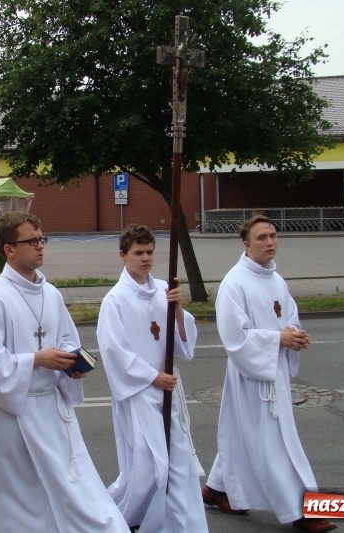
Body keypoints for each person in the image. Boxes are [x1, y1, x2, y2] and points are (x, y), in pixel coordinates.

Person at [0, 211, 129, 532]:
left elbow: (67, 340)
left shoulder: (51, 294)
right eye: (32, 241)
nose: (41, 247)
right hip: (12, 418)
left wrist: (72, 366)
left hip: (52, 412)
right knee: (19, 503)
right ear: (9, 249)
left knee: (76, 494)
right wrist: (36, 360)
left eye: (42, 239)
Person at [203, 214, 336, 533]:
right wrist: (279, 339)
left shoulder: (276, 279)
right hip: (252, 377)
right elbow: (234, 338)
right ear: (246, 244)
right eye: (262, 238)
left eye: (273, 236)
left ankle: (217, 488)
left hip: (273, 369)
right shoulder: (234, 283)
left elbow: (289, 316)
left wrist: (294, 334)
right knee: (275, 444)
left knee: (242, 436)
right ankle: (302, 512)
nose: (270, 242)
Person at [97, 224, 209, 532]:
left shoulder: (164, 290)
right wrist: (152, 376)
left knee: (178, 463)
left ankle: (182, 526)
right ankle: (121, 516)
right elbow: (114, 352)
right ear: (123, 255)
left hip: (168, 390)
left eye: (149, 252)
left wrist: (178, 310)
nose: (145, 259)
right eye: (138, 253)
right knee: (147, 468)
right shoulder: (115, 300)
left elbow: (183, 347)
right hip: (140, 393)